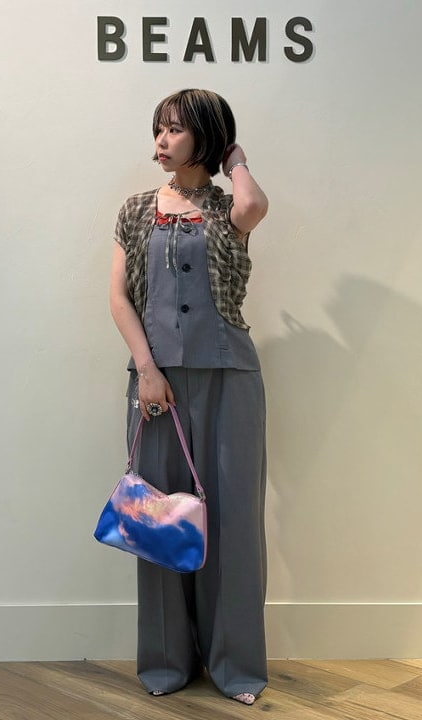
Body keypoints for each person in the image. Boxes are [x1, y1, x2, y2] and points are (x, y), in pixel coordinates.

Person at [109, 88, 268, 706]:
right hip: (156, 384)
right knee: (157, 518)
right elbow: (119, 297)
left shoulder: (229, 210)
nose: (161, 140)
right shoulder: (135, 210)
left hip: (229, 377)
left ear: (204, 137)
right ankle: (166, 661)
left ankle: (235, 667)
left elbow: (254, 204)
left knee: (232, 522)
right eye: (159, 128)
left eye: (176, 129)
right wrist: (147, 369)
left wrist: (235, 157)